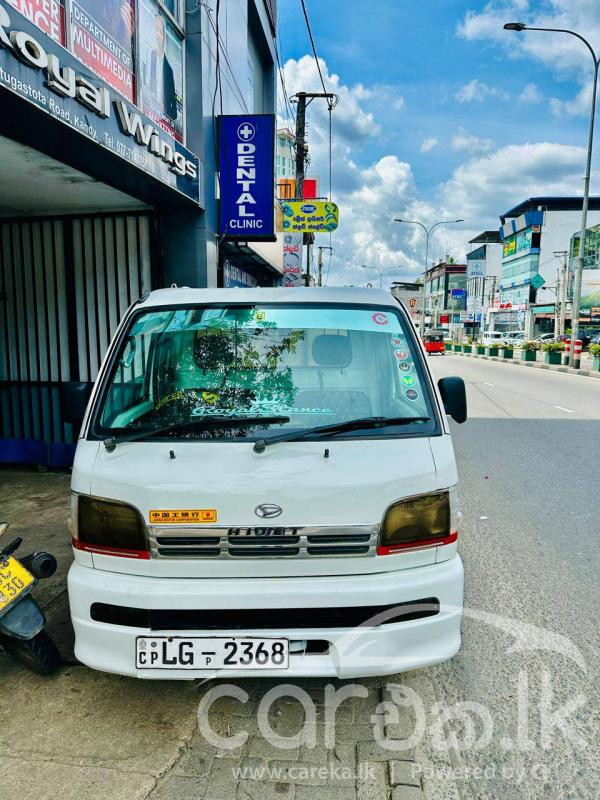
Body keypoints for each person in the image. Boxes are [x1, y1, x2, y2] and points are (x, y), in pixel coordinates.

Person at [149, 12, 177, 121]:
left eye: (160, 31)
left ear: (164, 36)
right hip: (147, 111)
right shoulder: (149, 56)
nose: (158, 35)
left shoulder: (169, 70)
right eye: (156, 30)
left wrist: (164, 109)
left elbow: (174, 113)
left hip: (160, 120)